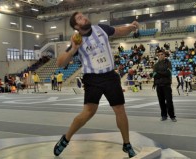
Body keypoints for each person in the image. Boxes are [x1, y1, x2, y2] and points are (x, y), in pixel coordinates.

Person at [53, 11, 138, 158]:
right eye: (79, 18)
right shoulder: (77, 40)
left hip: (110, 76)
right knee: (88, 112)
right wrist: (73, 48)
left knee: (120, 109)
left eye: (83, 15)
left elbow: (118, 31)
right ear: (76, 26)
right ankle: (66, 139)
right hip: (92, 79)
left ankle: (126, 144)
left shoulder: (101, 29)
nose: (84, 17)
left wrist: (131, 27)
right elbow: (60, 63)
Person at [153, 50, 177, 122]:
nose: (160, 56)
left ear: (164, 55)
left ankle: (172, 116)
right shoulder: (156, 65)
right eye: (159, 55)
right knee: (161, 102)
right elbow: (154, 75)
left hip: (166, 85)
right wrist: (163, 73)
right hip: (159, 86)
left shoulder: (168, 63)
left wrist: (159, 73)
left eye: (162, 54)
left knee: (169, 101)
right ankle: (164, 115)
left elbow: (168, 73)